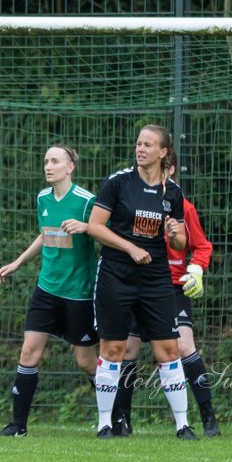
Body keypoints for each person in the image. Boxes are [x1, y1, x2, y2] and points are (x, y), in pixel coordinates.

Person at [87, 124, 198, 440]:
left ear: (163, 152)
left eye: (148, 145)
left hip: (155, 278)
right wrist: (130, 247)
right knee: (113, 348)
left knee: (168, 349)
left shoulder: (172, 192)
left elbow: (178, 243)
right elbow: (95, 227)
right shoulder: (118, 183)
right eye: (138, 143)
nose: (141, 149)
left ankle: (182, 425)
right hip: (116, 274)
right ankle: (105, 423)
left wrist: (176, 234)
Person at [0, 144, 98, 437]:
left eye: (55, 161)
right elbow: (45, 235)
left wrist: (87, 227)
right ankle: (18, 425)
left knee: (85, 361)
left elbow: (105, 233)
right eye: (45, 161)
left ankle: (113, 417)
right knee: (29, 353)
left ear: (70, 167)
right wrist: (17, 262)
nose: (48, 166)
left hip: (79, 293)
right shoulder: (42, 198)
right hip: (46, 289)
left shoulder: (87, 201)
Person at [111, 154, 220, 437]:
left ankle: (207, 418)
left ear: (169, 170)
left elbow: (202, 246)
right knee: (127, 350)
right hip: (137, 283)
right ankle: (122, 420)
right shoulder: (131, 199)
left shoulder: (183, 206)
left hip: (170, 287)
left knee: (184, 347)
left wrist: (195, 270)